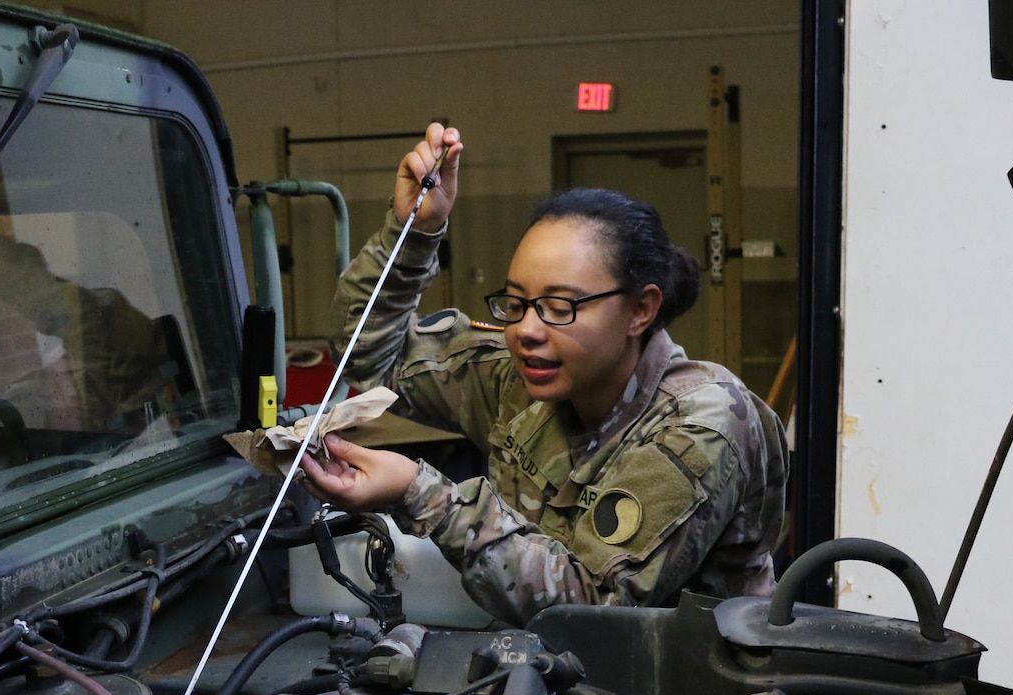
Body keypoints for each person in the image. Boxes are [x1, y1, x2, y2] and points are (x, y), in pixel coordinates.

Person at [301, 123, 787, 626]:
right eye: (516, 303)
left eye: (559, 306)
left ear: (641, 309)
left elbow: (596, 611)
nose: (526, 330)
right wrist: (414, 233)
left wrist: (421, 493)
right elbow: (371, 355)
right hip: (552, 678)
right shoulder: (522, 383)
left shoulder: (701, 425)